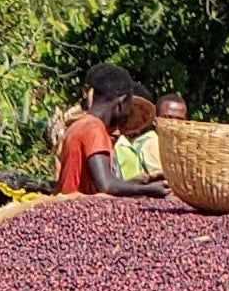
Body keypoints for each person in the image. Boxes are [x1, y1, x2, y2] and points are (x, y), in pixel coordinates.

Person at [55, 66, 169, 198]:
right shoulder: (95, 129)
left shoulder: (80, 125)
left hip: (71, 207)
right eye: (128, 108)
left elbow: (95, 184)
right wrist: (148, 190)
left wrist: (140, 182)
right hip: (78, 209)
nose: (126, 116)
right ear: (121, 104)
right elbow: (106, 185)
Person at [116, 94, 187, 181]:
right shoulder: (152, 142)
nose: (174, 123)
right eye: (168, 118)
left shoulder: (180, 146)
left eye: (179, 120)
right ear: (155, 120)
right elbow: (163, 180)